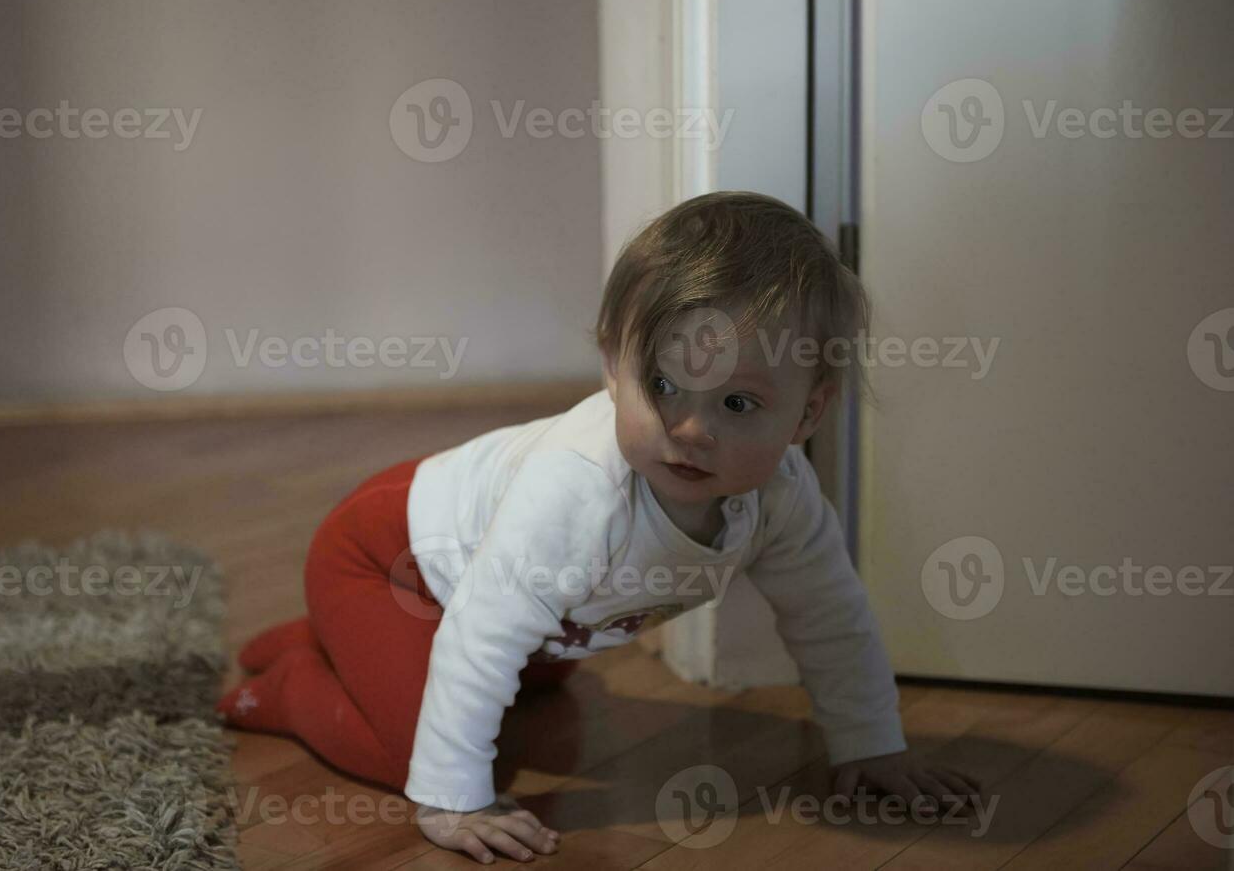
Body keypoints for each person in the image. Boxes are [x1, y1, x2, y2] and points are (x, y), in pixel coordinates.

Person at [218, 191, 982, 864]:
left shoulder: (782, 497)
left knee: (539, 686)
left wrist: (869, 744)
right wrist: (452, 799)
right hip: (389, 559)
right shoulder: (575, 492)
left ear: (805, 415)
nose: (689, 429)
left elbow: (829, 617)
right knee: (409, 750)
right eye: (662, 386)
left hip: (511, 592)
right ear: (612, 363)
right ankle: (290, 686)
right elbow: (482, 634)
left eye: (738, 405)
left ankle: (330, 639)